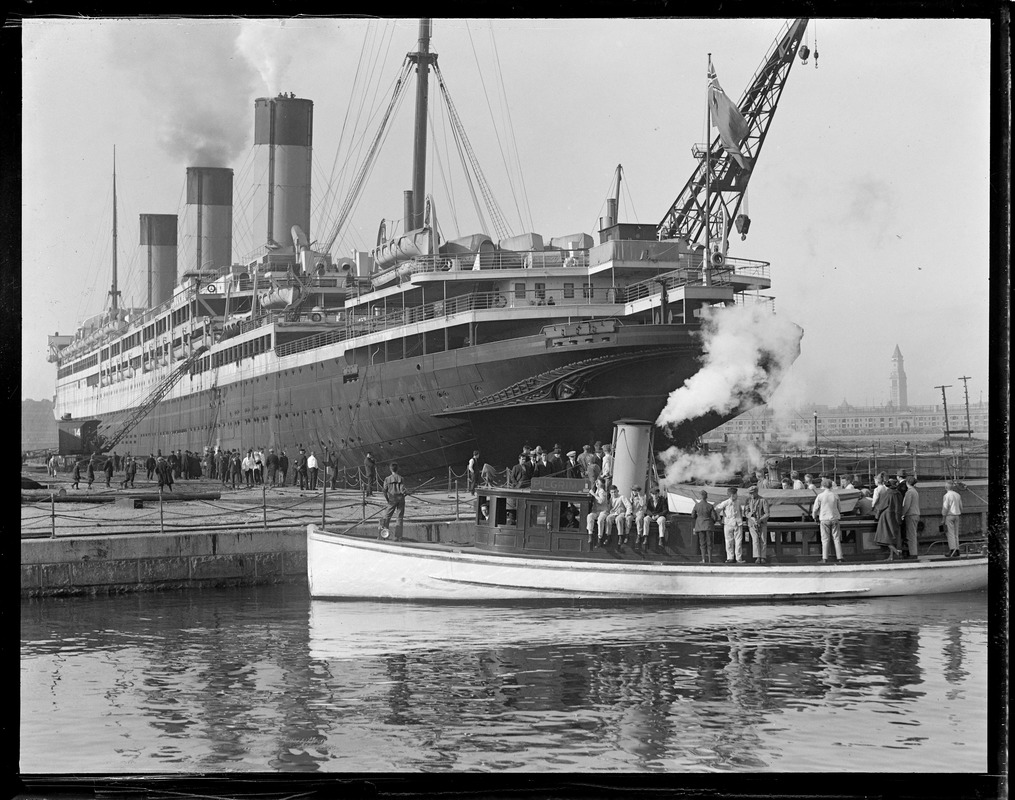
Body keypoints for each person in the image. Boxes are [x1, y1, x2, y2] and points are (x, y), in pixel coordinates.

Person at [811, 478, 844, 564]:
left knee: (825, 539)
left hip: (824, 519)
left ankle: (825, 558)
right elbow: (839, 508)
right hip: (835, 518)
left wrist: (814, 517)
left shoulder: (820, 496)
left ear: (823, 486)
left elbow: (815, 509)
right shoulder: (835, 495)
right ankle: (840, 557)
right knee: (836, 538)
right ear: (831, 486)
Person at [873, 477, 903, 560]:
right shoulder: (899, 494)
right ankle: (892, 556)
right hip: (895, 517)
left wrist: (877, 516)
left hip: (886, 517)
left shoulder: (888, 493)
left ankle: (897, 553)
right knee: (893, 537)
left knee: (884, 538)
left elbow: (881, 506)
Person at [713, 486, 745, 563]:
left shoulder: (739, 502)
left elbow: (742, 511)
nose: (736, 495)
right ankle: (730, 557)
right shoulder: (725, 502)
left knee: (738, 542)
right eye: (735, 494)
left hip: (738, 523)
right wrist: (719, 519)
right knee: (728, 541)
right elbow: (716, 510)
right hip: (728, 523)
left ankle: (738, 558)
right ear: (731, 495)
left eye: (736, 494)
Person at [744, 484, 771, 564]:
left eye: (752, 493)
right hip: (752, 523)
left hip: (762, 523)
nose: (751, 495)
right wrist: (751, 518)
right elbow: (746, 512)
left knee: (763, 540)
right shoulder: (748, 500)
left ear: (756, 492)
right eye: (750, 493)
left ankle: (763, 557)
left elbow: (767, 513)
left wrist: (759, 520)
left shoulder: (763, 500)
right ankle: (757, 557)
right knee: (755, 540)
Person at [379, 462, 407, 541]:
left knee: (387, 517)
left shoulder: (387, 479)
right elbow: (402, 490)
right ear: (397, 469)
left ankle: (385, 535)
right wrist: (406, 492)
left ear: (390, 469)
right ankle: (398, 537)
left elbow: (384, 491)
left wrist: (387, 499)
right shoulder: (401, 478)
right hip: (401, 499)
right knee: (399, 518)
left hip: (392, 499)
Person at [690, 489, 715, 563]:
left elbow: (693, 515)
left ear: (700, 497)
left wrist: (698, 519)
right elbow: (715, 517)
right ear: (706, 497)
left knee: (702, 543)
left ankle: (703, 559)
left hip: (700, 526)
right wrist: (711, 522)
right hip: (708, 525)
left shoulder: (697, 505)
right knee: (709, 543)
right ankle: (710, 559)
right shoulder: (710, 506)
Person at [941, 480, 963, 558]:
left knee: (950, 534)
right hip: (957, 515)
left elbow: (945, 508)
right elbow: (961, 507)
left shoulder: (946, 496)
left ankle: (952, 550)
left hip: (949, 516)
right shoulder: (957, 495)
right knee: (956, 534)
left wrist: (943, 518)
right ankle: (957, 550)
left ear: (946, 487)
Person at [901, 475, 921, 559]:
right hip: (916, 514)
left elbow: (906, 505)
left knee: (911, 535)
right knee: (913, 534)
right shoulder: (915, 491)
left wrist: (902, 513)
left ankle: (913, 554)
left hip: (911, 515)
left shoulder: (909, 492)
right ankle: (914, 552)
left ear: (907, 483)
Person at [585, 477, 609, 546]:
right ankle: (590, 534)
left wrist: (594, 494)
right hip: (596, 510)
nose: (596, 484)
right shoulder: (597, 490)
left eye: (597, 483)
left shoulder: (602, 491)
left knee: (600, 520)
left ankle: (599, 537)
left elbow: (601, 501)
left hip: (603, 511)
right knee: (589, 516)